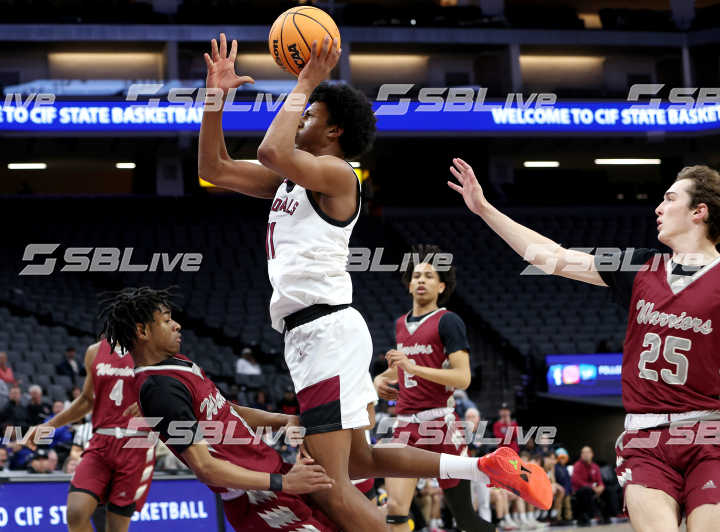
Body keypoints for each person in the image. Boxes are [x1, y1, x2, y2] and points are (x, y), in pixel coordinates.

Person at [199, 34, 551, 531]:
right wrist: (215, 97)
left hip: (324, 333)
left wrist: (306, 81)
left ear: (334, 130)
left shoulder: (340, 176)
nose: (301, 118)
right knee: (360, 463)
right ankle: (482, 466)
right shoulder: (291, 180)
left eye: (311, 115)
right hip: (314, 335)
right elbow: (212, 167)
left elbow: (270, 150)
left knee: (329, 486)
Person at [448, 159, 720, 531]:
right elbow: (552, 257)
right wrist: (485, 209)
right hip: (646, 439)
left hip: (710, 437)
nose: (658, 207)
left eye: (670, 199)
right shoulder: (639, 268)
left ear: (699, 212)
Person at [99, 287, 339, 531]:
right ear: (142, 331)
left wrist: (282, 419)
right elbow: (205, 468)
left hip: (274, 478)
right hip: (258, 497)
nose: (177, 325)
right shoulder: (159, 389)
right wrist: (283, 483)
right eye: (167, 320)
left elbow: (225, 410)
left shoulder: (177, 364)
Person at [374, 247, 495, 532]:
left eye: (429, 276)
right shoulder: (401, 324)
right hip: (404, 426)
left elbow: (462, 377)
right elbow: (404, 365)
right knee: (395, 512)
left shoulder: (448, 321)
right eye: (416, 275)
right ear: (408, 283)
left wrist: (413, 368)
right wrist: (380, 378)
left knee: (465, 519)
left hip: (440, 425)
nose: (421, 280)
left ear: (441, 286)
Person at [25, 337, 156, 532]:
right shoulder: (95, 351)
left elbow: (175, 387)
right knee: (76, 513)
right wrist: (49, 426)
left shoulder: (152, 348)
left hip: (135, 442)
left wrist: (153, 400)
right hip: (101, 441)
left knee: (115, 527)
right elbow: (87, 400)